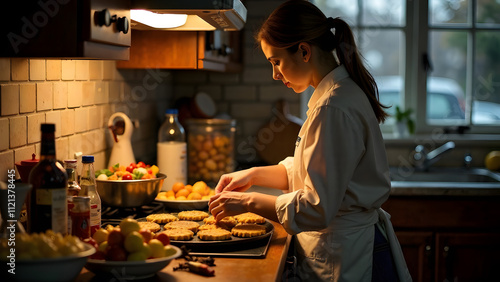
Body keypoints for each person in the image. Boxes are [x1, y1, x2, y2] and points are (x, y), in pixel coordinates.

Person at [208, 0, 412, 281]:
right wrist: (253, 174)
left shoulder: (333, 107)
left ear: (304, 51)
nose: (275, 74)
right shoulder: (336, 96)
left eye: (276, 62)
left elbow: (316, 206)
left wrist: (248, 202)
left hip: (349, 256)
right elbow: (312, 171)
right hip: (350, 248)